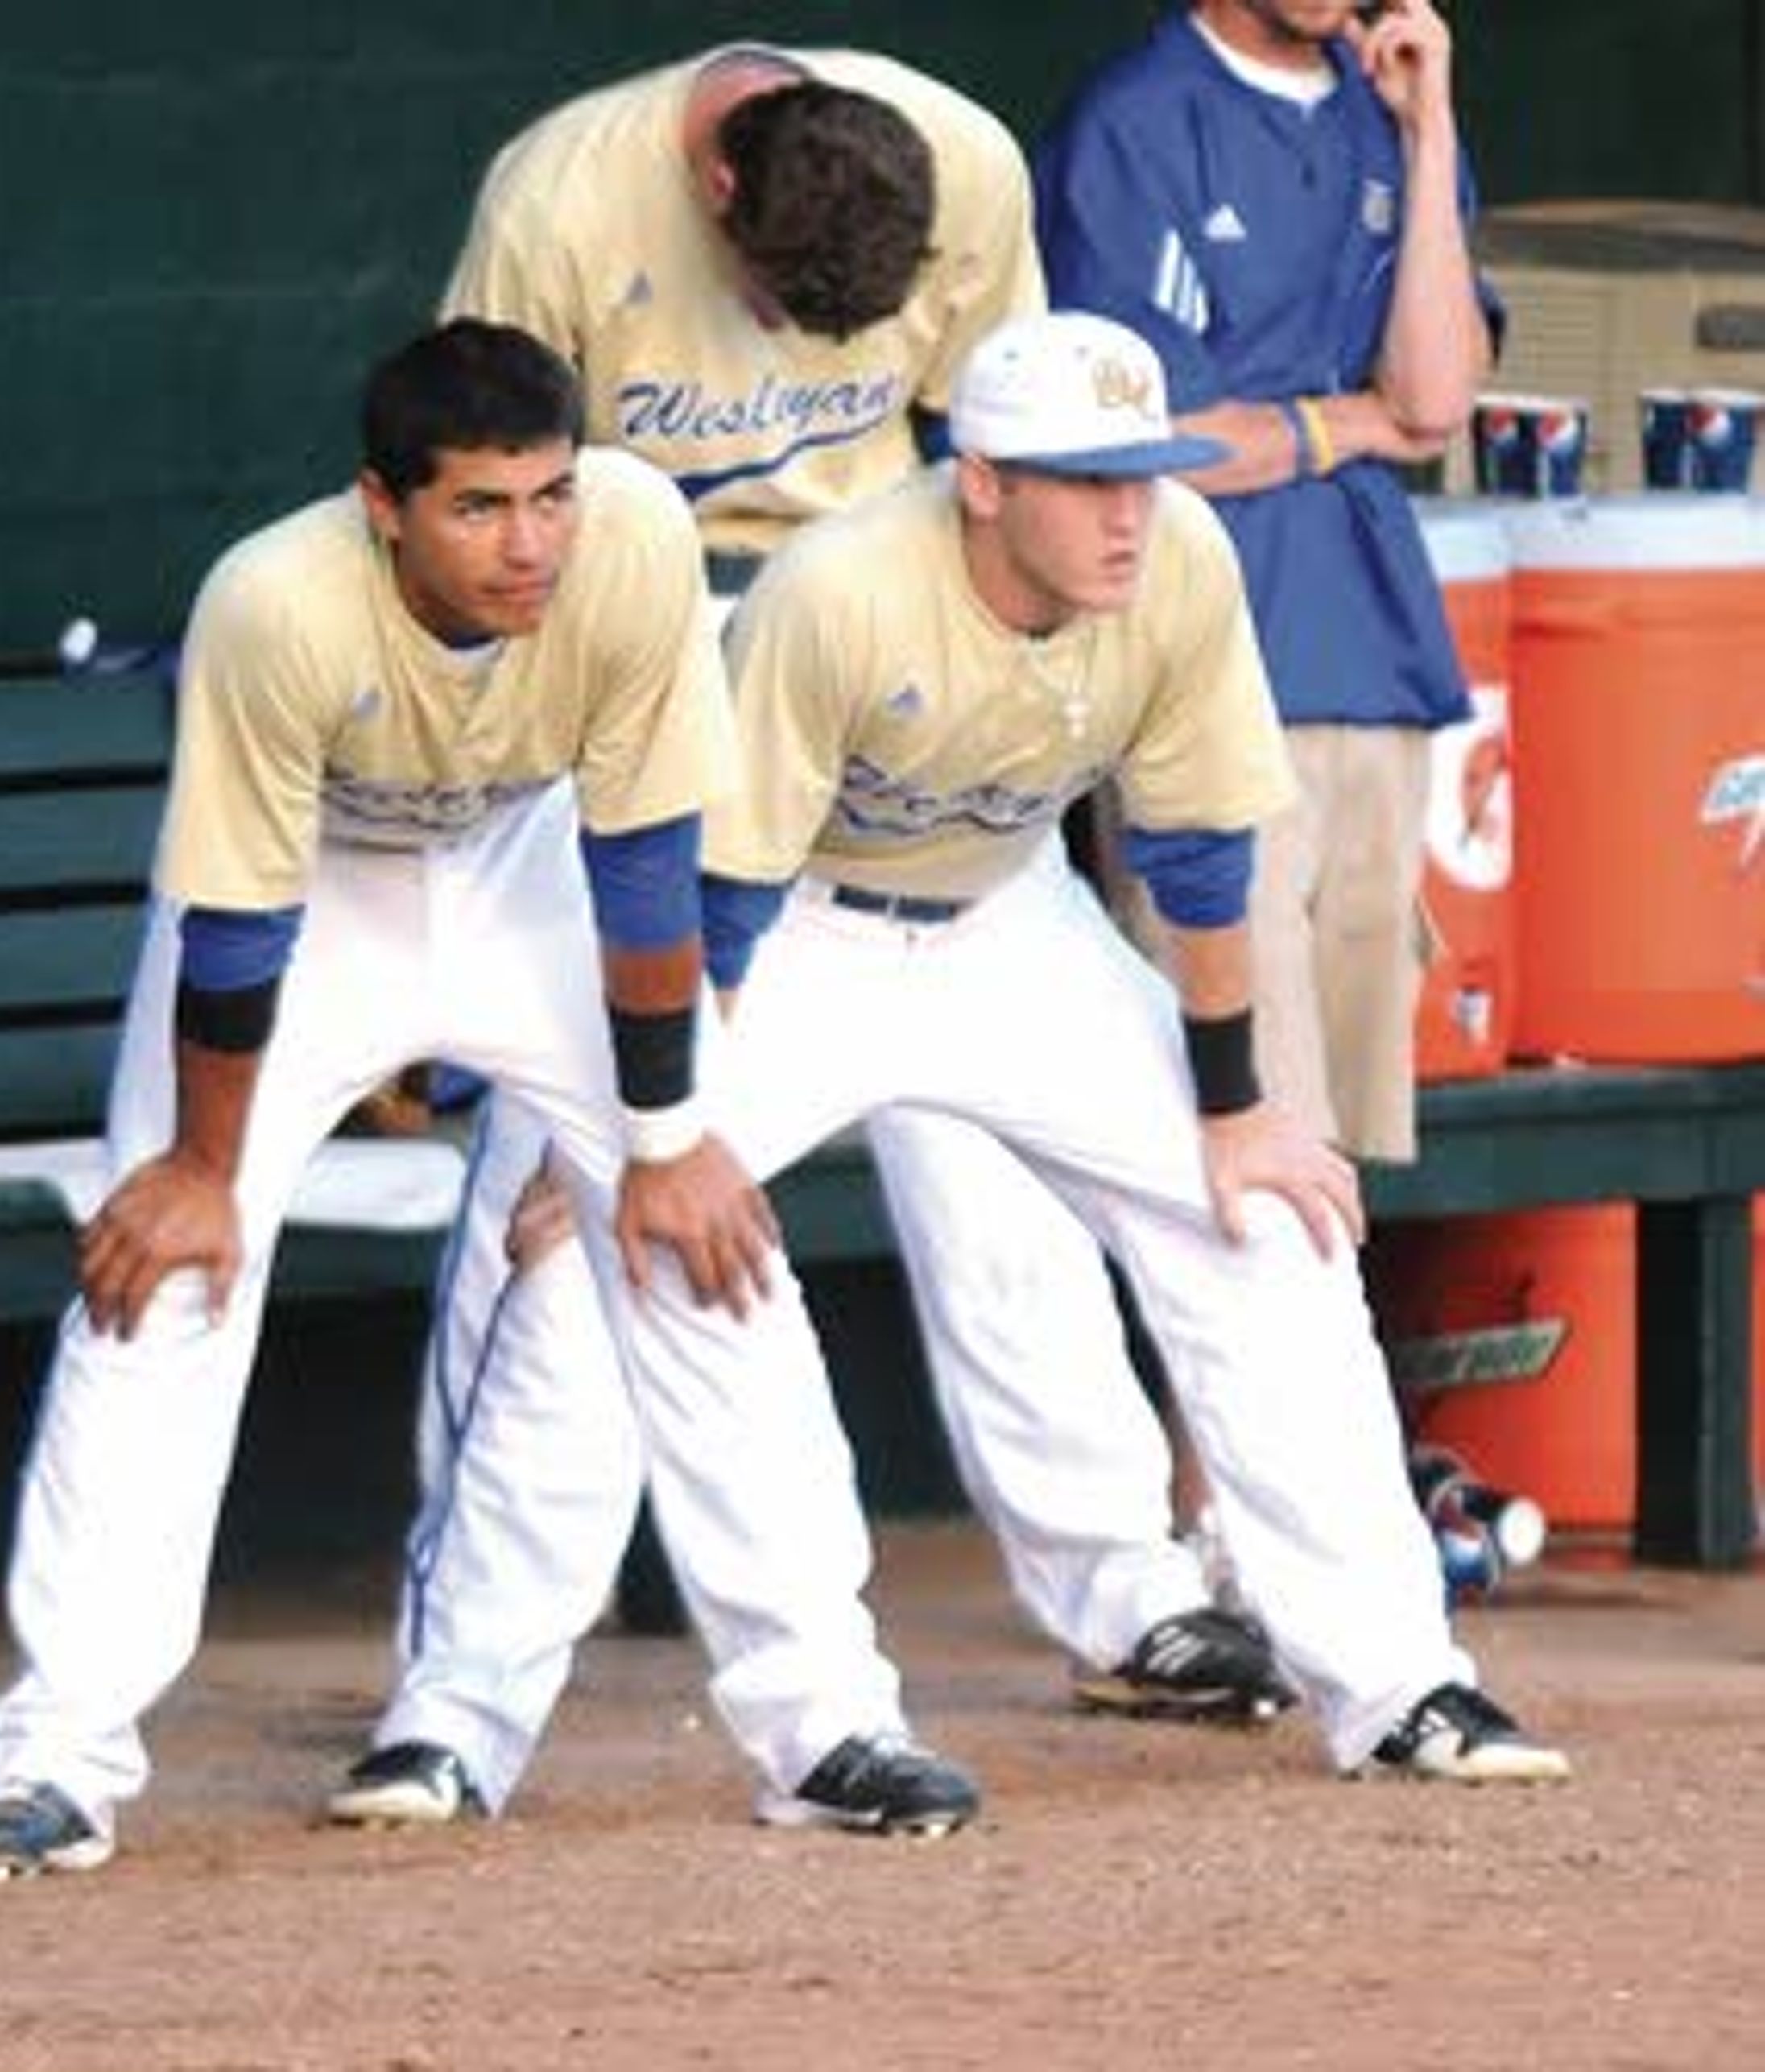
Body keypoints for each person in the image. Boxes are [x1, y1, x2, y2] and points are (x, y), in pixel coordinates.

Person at [334, 43, 1285, 1834]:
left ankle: (1128, 1592)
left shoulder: (971, 165)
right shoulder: (565, 194)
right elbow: (482, 509)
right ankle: (453, 1692)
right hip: (646, 672)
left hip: (884, 671)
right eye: (781, 305)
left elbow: (996, 462)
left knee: (998, 1161)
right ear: (715, 202)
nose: (811, 349)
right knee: (578, 1198)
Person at [0, 320, 982, 1881]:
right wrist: (204, 1170)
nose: (529, 540)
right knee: (159, 1276)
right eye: (482, 508)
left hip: (525, 877)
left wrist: (658, 1144)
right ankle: (55, 1759)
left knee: (708, 1242)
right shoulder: (275, 601)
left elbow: (642, 868)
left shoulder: (628, 551)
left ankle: (828, 1720)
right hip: (313, 903)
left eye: (549, 495)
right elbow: (236, 932)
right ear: (387, 504)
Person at [646, 308, 1564, 1793]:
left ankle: (1402, 1684)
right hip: (796, 931)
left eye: (1142, 471)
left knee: (1271, 1221)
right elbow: (724, 898)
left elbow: (1201, 850)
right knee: (649, 1244)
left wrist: (1235, 1111)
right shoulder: (843, 588)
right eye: (1088, 480)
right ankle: (816, 1724)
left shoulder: (1179, 554)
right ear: (989, 481)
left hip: (1012, 915)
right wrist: (660, 1131)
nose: (1128, 510)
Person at [1033, 0, 1487, 1167]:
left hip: (1374, 653)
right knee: (1234, 1135)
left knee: (1340, 1153)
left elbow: (1434, 400)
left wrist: (1432, 133)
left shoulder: (1386, 115)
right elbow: (1148, 438)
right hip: (1204, 655)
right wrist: (1350, 420)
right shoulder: (1136, 123)